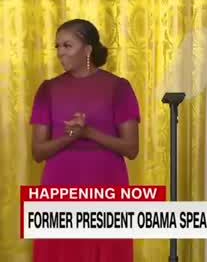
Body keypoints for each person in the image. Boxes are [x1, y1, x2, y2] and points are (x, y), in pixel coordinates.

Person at [30, 19, 140, 262]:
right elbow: (38, 152)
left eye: (67, 46)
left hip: (106, 188)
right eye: (57, 46)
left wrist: (88, 133)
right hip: (59, 191)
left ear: (88, 49)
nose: (60, 53)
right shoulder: (48, 90)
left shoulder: (118, 87)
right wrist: (70, 137)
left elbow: (131, 148)